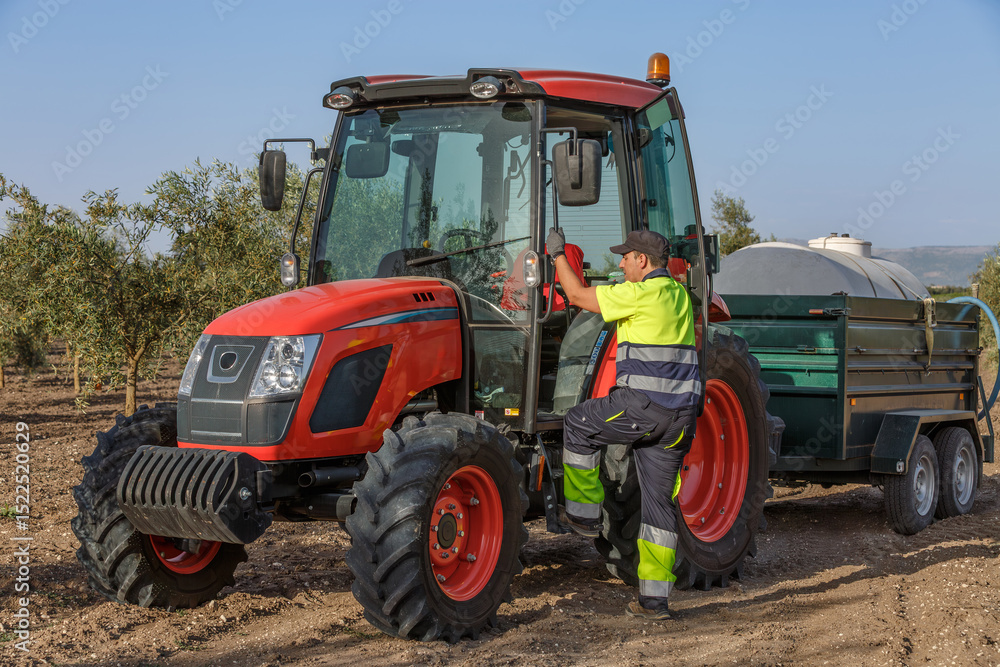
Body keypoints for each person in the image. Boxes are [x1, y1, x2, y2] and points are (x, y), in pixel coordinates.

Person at [546, 227, 701, 621]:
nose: (620, 263)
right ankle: (654, 602)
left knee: (578, 423)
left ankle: (583, 515)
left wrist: (558, 254)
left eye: (626, 257)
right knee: (659, 509)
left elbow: (577, 296)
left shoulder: (639, 294)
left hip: (644, 408)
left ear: (642, 261)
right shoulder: (679, 295)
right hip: (681, 418)